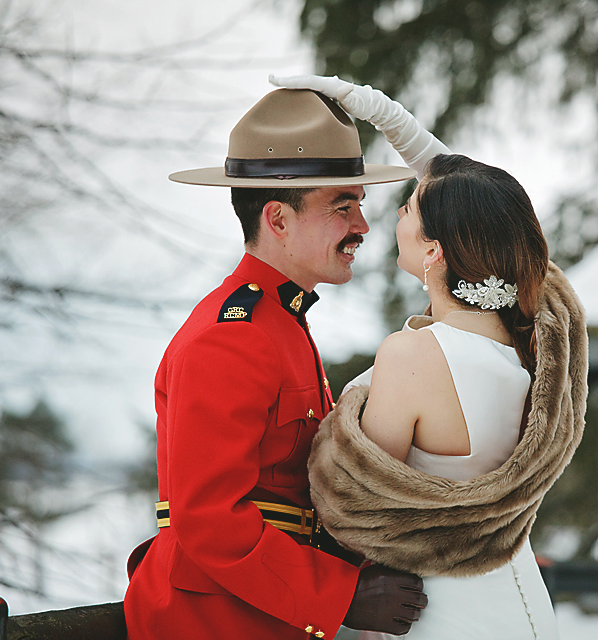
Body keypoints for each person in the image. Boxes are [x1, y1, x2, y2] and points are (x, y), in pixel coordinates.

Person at [270, 76, 588, 640]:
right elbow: (483, 204)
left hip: (439, 613)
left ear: (435, 251)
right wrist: (380, 112)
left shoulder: (413, 353)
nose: (394, 214)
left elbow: (352, 507)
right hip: (520, 604)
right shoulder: (531, 340)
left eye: (409, 206)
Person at [123, 89, 430, 640]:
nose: (362, 225)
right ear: (278, 219)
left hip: (257, 612)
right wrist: (340, 597)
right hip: (212, 622)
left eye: (359, 203)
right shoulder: (231, 337)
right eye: (343, 205)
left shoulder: (278, 320)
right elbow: (208, 516)